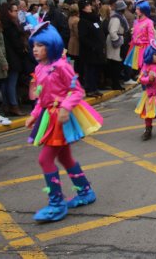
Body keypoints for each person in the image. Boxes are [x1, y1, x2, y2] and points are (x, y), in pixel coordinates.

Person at [25, 22, 102, 222]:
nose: (35, 49)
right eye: (34, 45)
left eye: (40, 45)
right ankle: (85, 192)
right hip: (48, 117)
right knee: (65, 158)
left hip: (60, 118)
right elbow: (41, 97)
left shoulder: (61, 66)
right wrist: (34, 114)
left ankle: (57, 204)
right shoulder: (40, 68)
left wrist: (66, 107)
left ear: (51, 46)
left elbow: (77, 91)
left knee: (45, 159)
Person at [0, 3, 27, 116]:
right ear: (9, 12)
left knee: (7, 83)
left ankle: (8, 105)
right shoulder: (10, 27)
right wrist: (23, 49)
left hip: (9, 57)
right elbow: (16, 44)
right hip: (13, 58)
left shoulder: (4, 26)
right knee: (11, 83)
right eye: (15, 11)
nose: (17, 13)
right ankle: (13, 105)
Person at [77, 0, 105, 98]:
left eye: (89, 5)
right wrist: (93, 46)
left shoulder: (94, 18)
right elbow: (83, 37)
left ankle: (95, 88)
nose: (89, 7)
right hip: (89, 51)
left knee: (96, 70)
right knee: (90, 71)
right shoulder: (83, 21)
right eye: (87, 6)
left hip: (97, 50)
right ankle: (90, 89)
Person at [123, 0, 156, 73]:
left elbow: (151, 37)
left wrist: (151, 50)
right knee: (140, 71)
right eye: (136, 8)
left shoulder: (149, 22)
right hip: (136, 48)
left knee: (145, 70)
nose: (136, 10)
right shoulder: (135, 21)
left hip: (145, 49)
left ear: (143, 10)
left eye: (138, 9)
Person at [106, 0, 129, 90]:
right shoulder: (116, 18)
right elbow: (112, 32)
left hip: (118, 40)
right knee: (115, 64)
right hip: (115, 42)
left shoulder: (119, 17)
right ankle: (115, 84)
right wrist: (118, 41)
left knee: (117, 63)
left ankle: (116, 83)